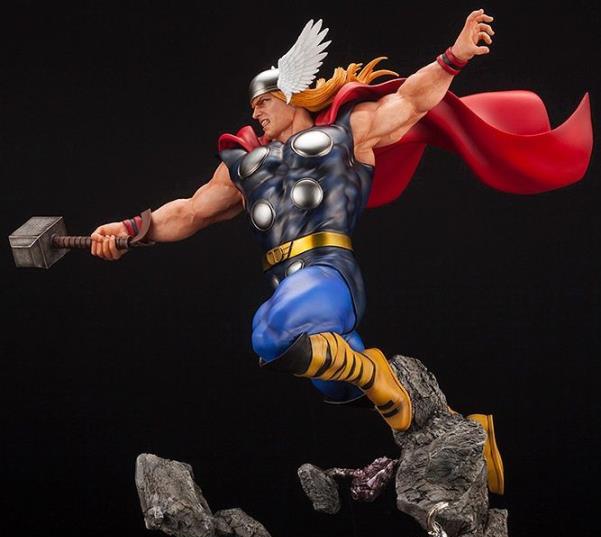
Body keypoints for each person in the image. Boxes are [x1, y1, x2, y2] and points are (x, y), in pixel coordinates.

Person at [90, 11, 592, 496]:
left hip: (328, 274)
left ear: (289, 95)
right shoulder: (244, 164)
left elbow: (412, 101)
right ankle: (470, 436)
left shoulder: (348, 133)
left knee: (269, 334)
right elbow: (190, 211)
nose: (255, 114)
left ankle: (375, 373)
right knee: (339, 389)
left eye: (263, 103)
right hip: (288, 283)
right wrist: (129, 230)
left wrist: (453, 57)